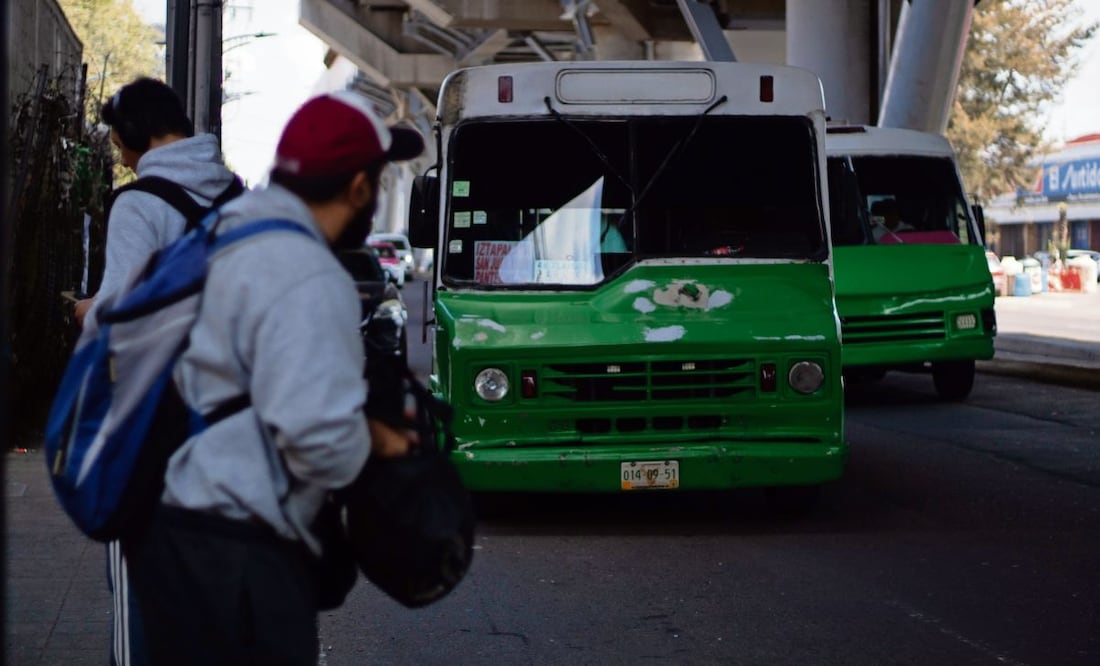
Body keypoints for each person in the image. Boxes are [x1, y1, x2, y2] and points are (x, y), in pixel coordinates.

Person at [123, 90, 424, 664]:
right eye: (379, 178)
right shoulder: (309, 273)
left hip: (181, 529)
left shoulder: (233, 229)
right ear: (358, 187)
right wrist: (380, 441)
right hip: (244, 553)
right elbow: (319, 441)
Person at [77, 76, 241, 666]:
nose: (119, 153)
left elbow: (119, 318)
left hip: (151, 432)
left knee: (139, 599)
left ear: (137, 135)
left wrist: (87, 312)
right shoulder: (240, 200)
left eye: (118, 139)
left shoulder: (138, 203)